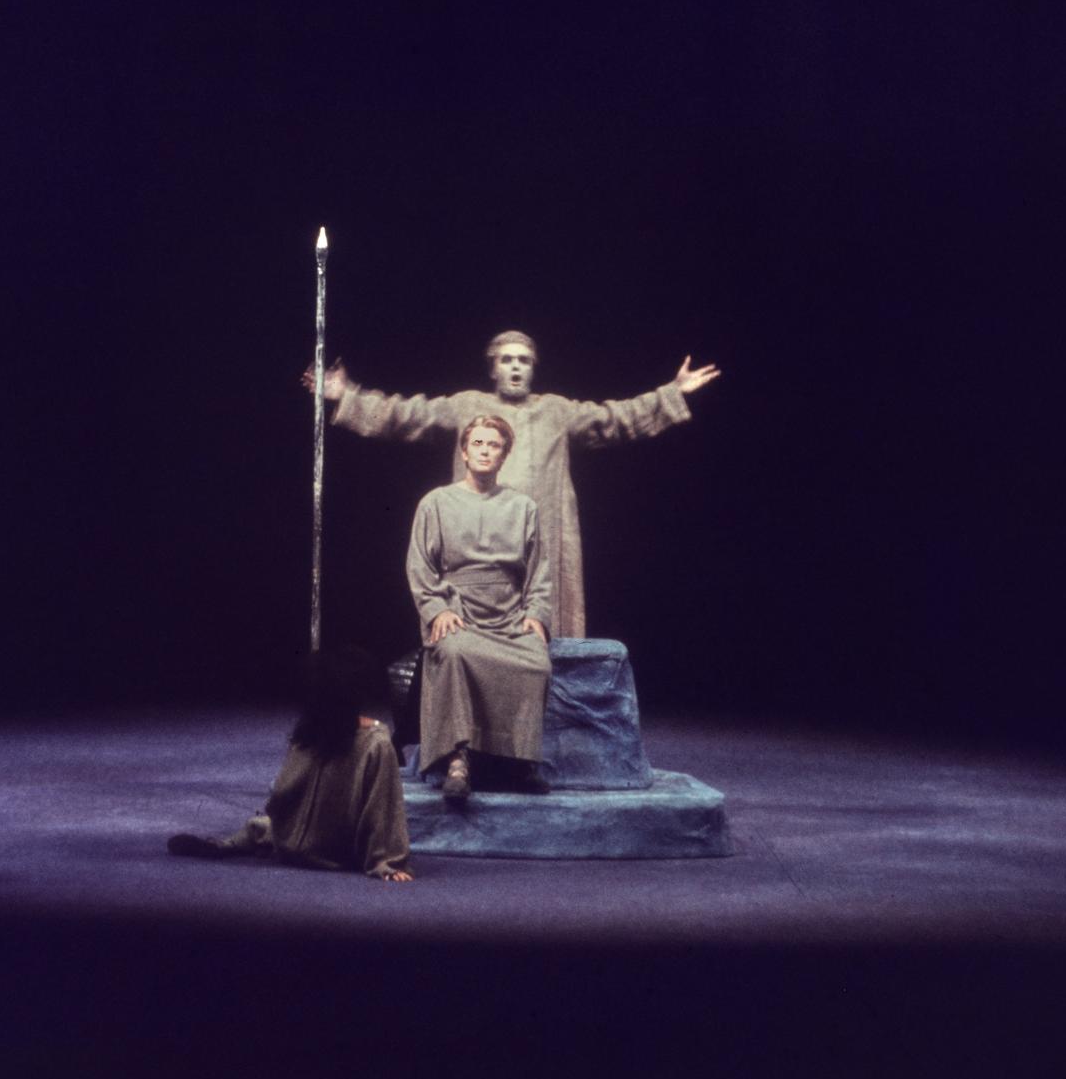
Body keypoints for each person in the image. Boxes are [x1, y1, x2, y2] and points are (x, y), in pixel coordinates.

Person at [308, 331, 720, 640]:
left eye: (524, 360)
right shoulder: (467, 405)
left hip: (540, 537)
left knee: (543, 623)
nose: (516, 367)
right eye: (507, 360)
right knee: (475, 634)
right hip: (477, 540)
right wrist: (348, 395)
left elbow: (616, 419)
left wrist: (672, 393)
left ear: (533, 368)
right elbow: (407, 415)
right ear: (493, 369)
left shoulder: (556, 411)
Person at [168, 647, 414, 881]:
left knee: (265, 826)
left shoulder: (345, 737)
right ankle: (237, 842)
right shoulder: (339, 734)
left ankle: (239, 841)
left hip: (310, 846)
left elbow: (284, 792)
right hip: (316, 847)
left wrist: (385, 860)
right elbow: (380, 805)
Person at [407, 413, 554, 801]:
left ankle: (519, 761)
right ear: (464, 452)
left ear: (504, 455)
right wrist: (437, 609)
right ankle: (458, 759)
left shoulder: (523, 507)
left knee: (536, 662)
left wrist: (536, 614)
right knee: (455, 652)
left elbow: (539, 570)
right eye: (478, 443)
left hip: (507, 614)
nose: (485, 451)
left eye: (494, 445)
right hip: (459, 611)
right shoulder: (437, 503)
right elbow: (419, 565)